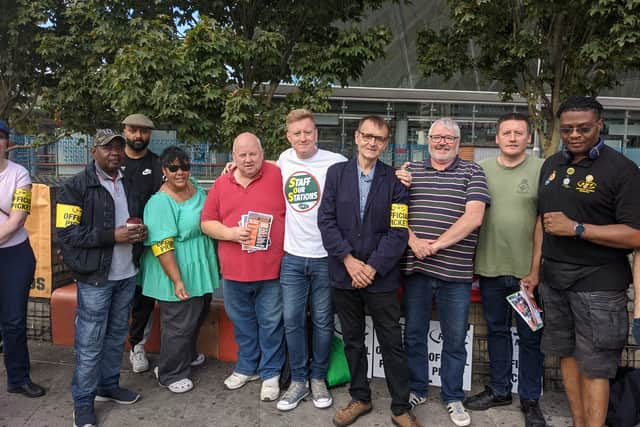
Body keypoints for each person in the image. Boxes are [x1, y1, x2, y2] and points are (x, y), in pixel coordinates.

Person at [537, 96, 640, 427]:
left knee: (595, 364)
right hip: (554, 281)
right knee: (566, 355)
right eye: (567, 129)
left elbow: (636, 235)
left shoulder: (622, 170)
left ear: (600, 125)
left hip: (599, 285)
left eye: (583, 128)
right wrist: (534, 269)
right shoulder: (550, 165)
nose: (574, 135)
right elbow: (542, 221)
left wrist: (578, 229)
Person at [318, 116, 420, 427]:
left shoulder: (395, 181)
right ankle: (360, 397)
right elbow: (326, 221)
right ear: (357, 137)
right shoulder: (336, 174)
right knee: (352, 339)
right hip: (344, 274)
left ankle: (401, 407)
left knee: (392, 342)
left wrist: (373, 266)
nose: (372, 142)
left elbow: (398, 231)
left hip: (381, 278)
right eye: (367, 135)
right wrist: (349, 260)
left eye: (379, 138)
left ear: (386, 143)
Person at [401, 117, 490, 427]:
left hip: (455, 273)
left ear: (457, 142)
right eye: (436, 137)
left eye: (448, 139)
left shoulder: (473, 171)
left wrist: (435, 245)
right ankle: (417, 388)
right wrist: (412, 241)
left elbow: (474, 217)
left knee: (454, 338)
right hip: (417, 270)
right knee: (413, 334)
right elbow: (395, 211)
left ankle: (453, 396)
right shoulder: (410, 171)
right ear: (428, 140)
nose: (441, 142)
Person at [57, 129, 146, 427]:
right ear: (93, 151)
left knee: (116, 335)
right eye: (108, 148)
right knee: (90, 341)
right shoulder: (75, 187)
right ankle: (83, 402)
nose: (115, 153)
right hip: (96, 277)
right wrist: (113, 235)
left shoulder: (128, 182)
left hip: (126, 274)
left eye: (118, 148)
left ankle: (108, 385)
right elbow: (67, 234)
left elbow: (132, 220)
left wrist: (139, 233)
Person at [462, 113, 546, 427]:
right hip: (490, 270)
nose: (512, 137)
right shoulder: (479, 170)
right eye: (506, 133)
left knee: (530, 338)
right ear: (496, 138)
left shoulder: (541, 170)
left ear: (528, 138)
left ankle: (530, 399)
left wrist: (535, 270)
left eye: (519, 133)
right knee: (496, 332)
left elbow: (543, 224)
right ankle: (499, 390)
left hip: (527, 275)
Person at [201, 133, 286, 402]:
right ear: (233, 157)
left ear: (262, 154)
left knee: (271, 323)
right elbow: (206, 222)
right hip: (234, 271)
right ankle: (247, 367)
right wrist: (230, 234)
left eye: (253, 154)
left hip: (272, 270)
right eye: (242, 155)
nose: (248, 160)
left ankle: (271, 372)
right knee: (242, 323)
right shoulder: (221, 184)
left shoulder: (278, 175)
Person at [275, 109, 348, 411]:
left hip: (324, 258)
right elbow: (258, 167)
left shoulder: (337, 162)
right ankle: (298, 381)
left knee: (322, 322)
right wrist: (233, 166)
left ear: (316, 133)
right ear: (288, 136)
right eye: (297, 133)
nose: (303, 138)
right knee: (291, 320)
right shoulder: (283, 160)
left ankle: (318, 377)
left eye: (308, 132)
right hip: (292, 257)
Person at [140, 146, 219, 393]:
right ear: (164, 170)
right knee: (179, 322)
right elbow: (162, 245)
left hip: (199, 263)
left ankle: (186, 354)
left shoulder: (192, 184)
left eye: (184, 166)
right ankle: (170, 372)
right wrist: (176, 279)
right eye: (173, 168)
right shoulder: (160, 202)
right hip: (176, 266)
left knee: (197, 312)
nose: (180, 172)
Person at [0, 120, 46, 398]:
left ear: (8, 143)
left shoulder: (20, 174)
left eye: (0, 137)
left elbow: (17, 220)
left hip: (14, 254)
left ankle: (18, 377)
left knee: (14, 320)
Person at [121, 113, 163, 374]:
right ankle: (107, 346)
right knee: (114, 298)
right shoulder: (113, 160)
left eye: (144, 132)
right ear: (124, 130)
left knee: (143, 299)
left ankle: (137, 345)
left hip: (147, 245)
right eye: (133, 130)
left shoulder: (157, 164)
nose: (138, 136)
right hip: (115, 243)